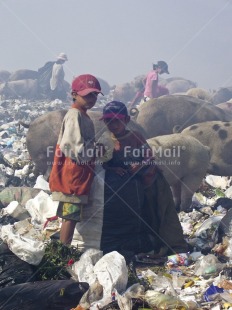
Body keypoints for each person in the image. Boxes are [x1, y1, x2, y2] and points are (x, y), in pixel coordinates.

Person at [99, 100, 188, 257]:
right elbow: (103, 163)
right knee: (146, 217)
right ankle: (152, 245)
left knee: (163, 214)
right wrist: (114, 168)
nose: (113, 125)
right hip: (132, 189)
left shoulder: (135, 137)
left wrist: (139, 166)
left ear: (126, 120)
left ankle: (177, 247)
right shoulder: (107, 140)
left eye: (117, 121)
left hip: (152, 181)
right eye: (109, 121)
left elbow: (149, 157)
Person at [49, 74, 104, 245]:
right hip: (72, 175)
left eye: (94, 95)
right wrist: (94, 150)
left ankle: (61, 245)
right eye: (87, 94)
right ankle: (63, 251)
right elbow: (72, 147)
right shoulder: (74, 115)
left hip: (78, 174)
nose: (92, 99)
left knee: (70, 214)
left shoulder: (84, 115)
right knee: (70, 216)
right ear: (74, 94)